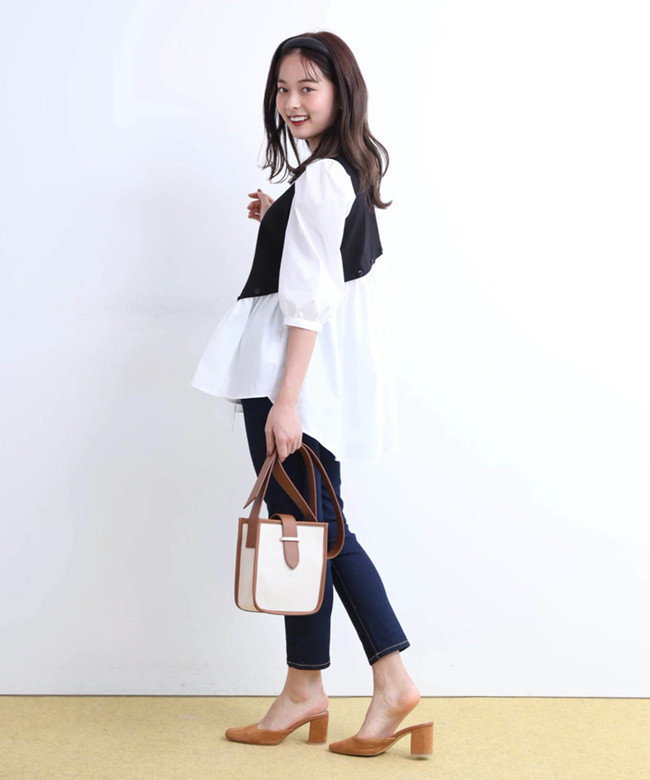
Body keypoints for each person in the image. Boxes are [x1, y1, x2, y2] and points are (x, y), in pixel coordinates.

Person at [191, 31, 433, 759]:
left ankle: (390, 679)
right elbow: (329, 269)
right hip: (312, 382)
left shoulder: (324, 177)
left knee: (319, 533)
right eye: (282, 88)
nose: (292, 102)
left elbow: (308, 301)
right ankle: (305, 686)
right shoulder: (334, 173)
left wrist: (286, 401)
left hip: (291, 381)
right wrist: (281, 214)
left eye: (308, 87)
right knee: (311, 531)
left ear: (339, 92)